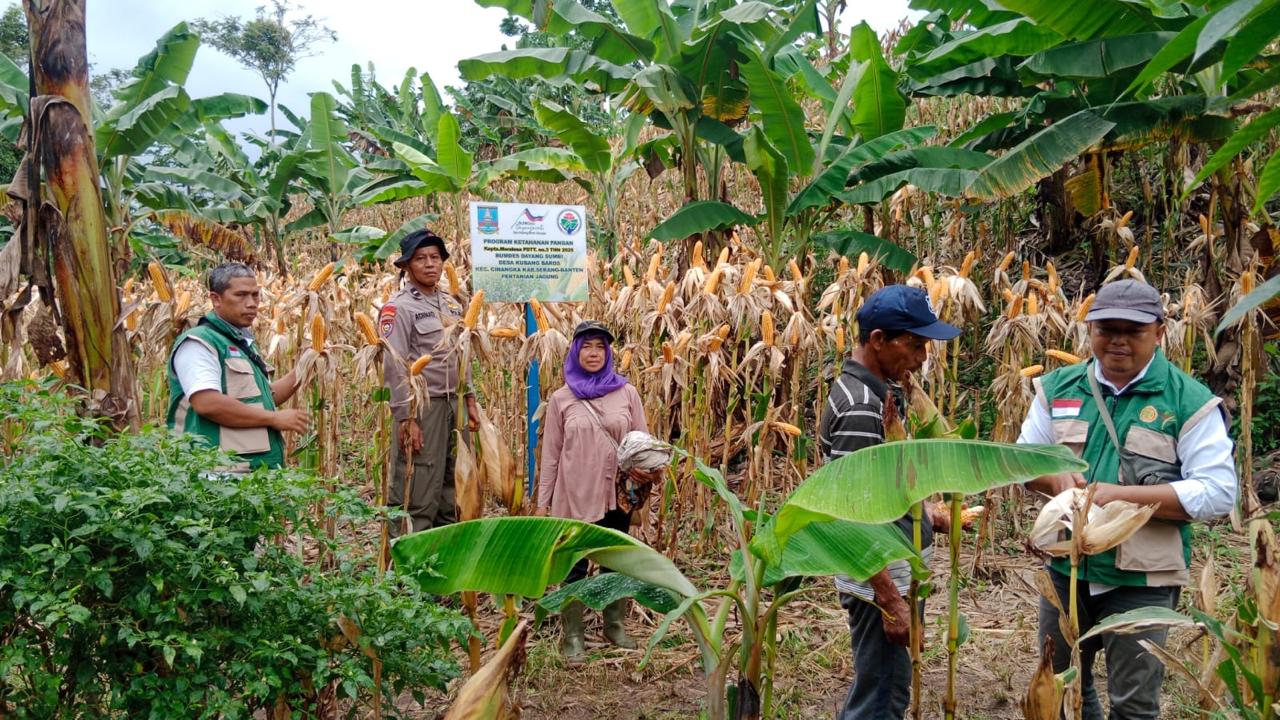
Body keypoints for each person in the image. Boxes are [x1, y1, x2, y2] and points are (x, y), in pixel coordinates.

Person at [1019, 279, 1236, 720]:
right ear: (1090, 329)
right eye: (1106, 329)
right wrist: (1058, 481)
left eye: (1133, 331)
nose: (1117, 341)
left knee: (1134, 705)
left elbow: (1216, 492)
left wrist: (1118, 497)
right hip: (1065, 571)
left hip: (1142, 581)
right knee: (1060, 689)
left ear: (1159, 332)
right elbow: (1023, 461)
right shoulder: (1057, 388)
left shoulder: (1188, 402)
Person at [818, 285, 960, 720]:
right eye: (914, 345)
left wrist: (927, 515)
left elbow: (876, 493)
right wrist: (890, 600)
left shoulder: (876, 393)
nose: (922, 358)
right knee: (880, 702)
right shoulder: (862, 407)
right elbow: (851, 515)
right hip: (882, 584)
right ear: (878, 340)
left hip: (891, 578)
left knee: (883, 693)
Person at [536, 320, 661, 664]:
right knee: (573, 565)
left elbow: (642, 441)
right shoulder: (561, 399)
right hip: (574, 495)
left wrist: (651, 469)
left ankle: (614, 624)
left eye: (600, 347)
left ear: (608, 353)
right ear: (576, 352)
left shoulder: (627, 393)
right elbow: (550, 455)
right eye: (587, 346)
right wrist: (543, 503)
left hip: (616, 494)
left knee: (615, 562)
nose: (593, 353)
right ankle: (573, 635)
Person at [381, 229, 481, 537]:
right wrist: (406, 417)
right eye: (420, 258)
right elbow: (394, 365)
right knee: (419, 484)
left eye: (435, 258)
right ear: (406, 266)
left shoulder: (451, 304)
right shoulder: (398, 308)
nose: (429, 264)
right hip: (423, 408)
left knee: (452, 485)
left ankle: (444, 554)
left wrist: (469, 398)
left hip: (454, 405)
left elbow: (461, 354)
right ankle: (410, 556)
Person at [167, 262, 308, 471]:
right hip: (219, 474)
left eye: (255, 295)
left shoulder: (240, 342)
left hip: (253, 472)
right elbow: (207, 403)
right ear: (216, 299)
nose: (252, 304)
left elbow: (262, 398)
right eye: (240, 295)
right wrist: (274, 418)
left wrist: (305, 366)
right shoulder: (200, 343)